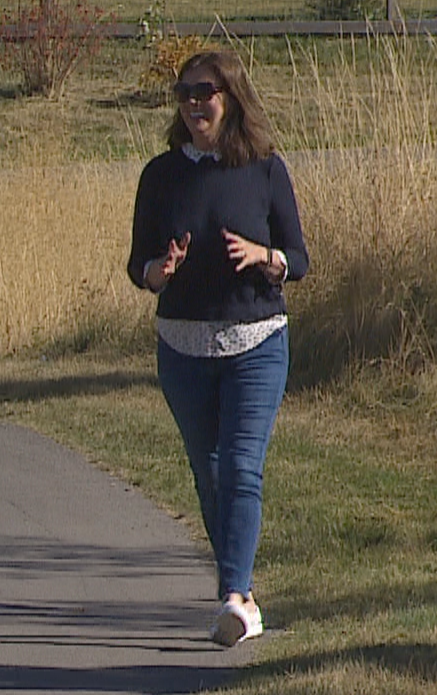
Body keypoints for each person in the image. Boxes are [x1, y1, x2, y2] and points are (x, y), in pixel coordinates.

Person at [128, 49, 308, 648]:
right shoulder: (161, 175)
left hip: (257, 340)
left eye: (204, 92)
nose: (193, 103)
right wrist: (161, 269)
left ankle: (235, 596)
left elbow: (298, 258)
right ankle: (240, 593)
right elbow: (139, 266)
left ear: (230, 98)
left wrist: (265, 258)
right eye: (184, 93)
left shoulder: (264, 168)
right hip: (182, 348)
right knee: (209, 476)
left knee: (240, 466)